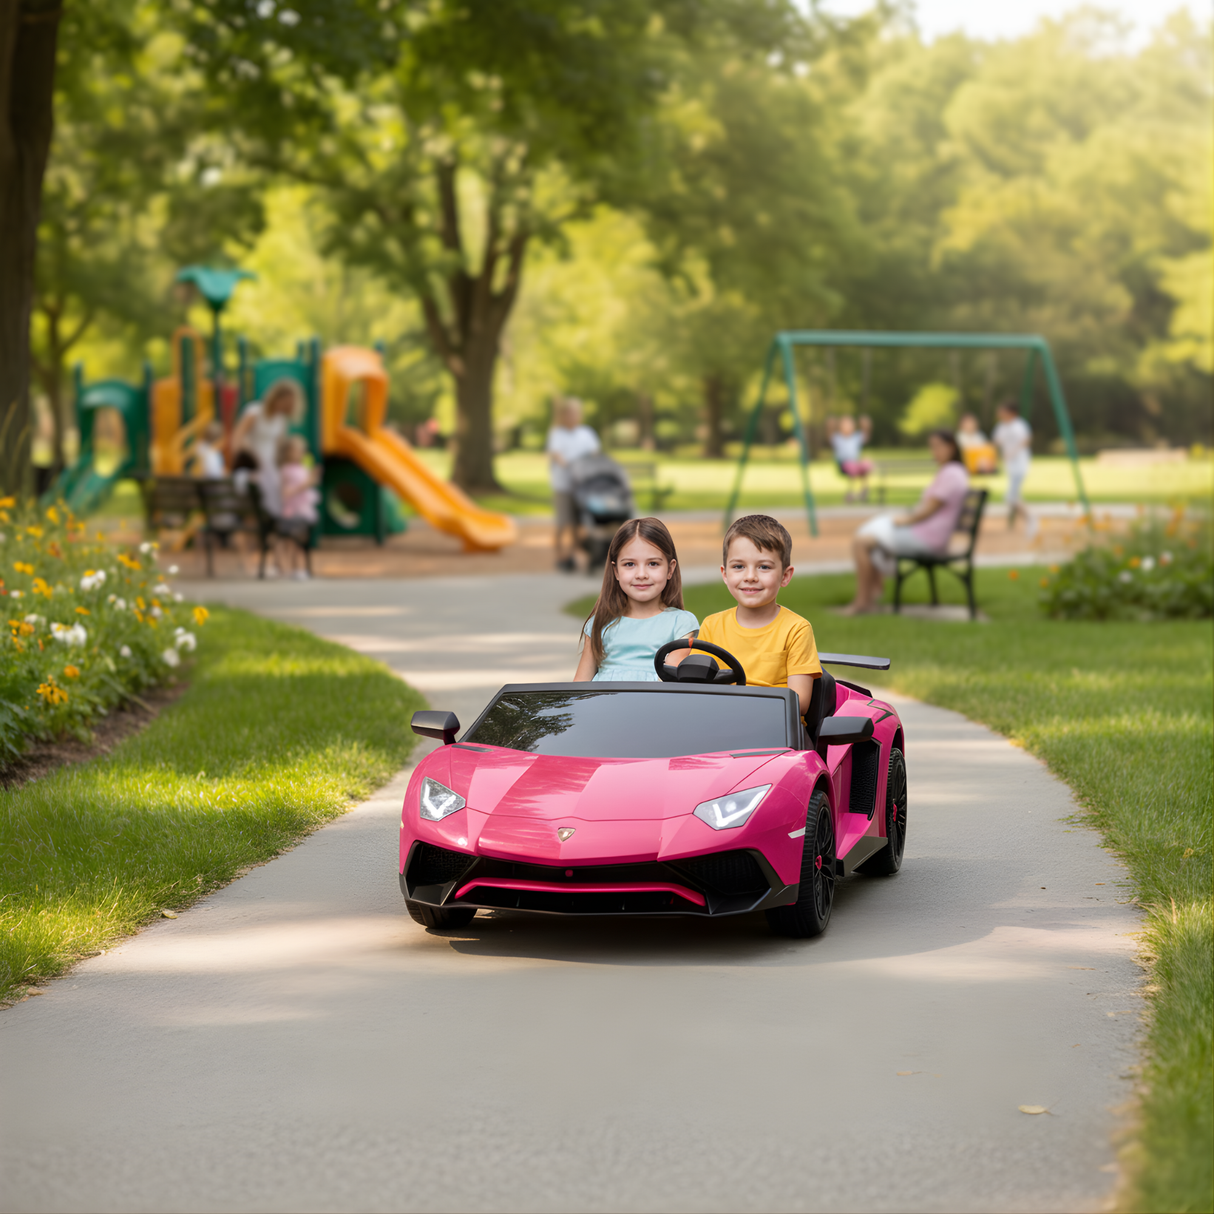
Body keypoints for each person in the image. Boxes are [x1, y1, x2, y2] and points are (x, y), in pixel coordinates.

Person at [697, 514, 821, 719]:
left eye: (764, 567)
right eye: (738, 567)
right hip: (719, 724)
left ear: (785, 576)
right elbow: (696, 687)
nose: (750, 577)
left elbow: (799, 702)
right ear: (725, 574)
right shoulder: (712, 625)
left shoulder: (796, 629)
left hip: (777, 731)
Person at [844, 429, 970, 615]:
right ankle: (870, 595)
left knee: (861, 543)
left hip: (928, 538)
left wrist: (903, 521)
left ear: (951, 446)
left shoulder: (952, 473)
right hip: (926, 533)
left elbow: (927, 511)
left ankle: (863, 602)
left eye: (938, 447)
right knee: (869, 536)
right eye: (931, 447)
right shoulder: (952, 471)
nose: (934, 452)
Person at [574, 517, 698, 682]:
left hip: (653, 706)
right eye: (629, 564)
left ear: (670, 569)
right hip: (603, 706)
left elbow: (670, 683)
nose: (641, 574)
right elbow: (579, 689)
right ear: (616, 571)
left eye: (653, 564)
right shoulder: (599, 624)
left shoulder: (681, 624)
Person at [230, 380, 300, 517]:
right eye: (285, 401)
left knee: (275, 496)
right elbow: (237, 439)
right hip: (250, 465)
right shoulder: (254, 412)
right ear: (276, 397)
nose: (286, 406)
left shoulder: (281, 420)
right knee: (254, 494)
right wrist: (248, 461)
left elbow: (279, 449)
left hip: (269, 468)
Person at [546, 396, 600, 572]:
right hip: (564, 484)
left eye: (575, 413)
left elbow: (594, 452)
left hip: (582, 485)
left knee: (579, 524)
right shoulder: (557, 434)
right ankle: (560, 556)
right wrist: (569, 463)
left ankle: (573, 555)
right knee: (563, 522)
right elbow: (556, 455)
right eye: (569, 413)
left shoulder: (586, 433)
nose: (572, 416)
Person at [275, 435, 319, 580]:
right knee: (294, 539)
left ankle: (298, 567)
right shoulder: (286, 470)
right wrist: (306, 484)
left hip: (303, 511)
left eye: (302, 451)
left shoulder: (302, 468)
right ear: (287, 453)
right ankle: (295, 567)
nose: (300, 454)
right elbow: (286, 493)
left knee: (299, 539)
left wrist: (312, 479)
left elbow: (307, 487)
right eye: (297, 451)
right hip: (292, 511)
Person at [992, 400, 1037, 537]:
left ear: (1011, 412)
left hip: (1020, 465)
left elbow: (1026, 440)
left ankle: (1032, 520)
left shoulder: (1019, 425)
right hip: (1010, 466)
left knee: (1010, 497)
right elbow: (996, 442)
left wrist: (1012, 452)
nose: (999, 413)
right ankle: (1029, 520)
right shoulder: (1001, 426)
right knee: (1014, 496)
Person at [826, 414, 874, 502]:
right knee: (851, 466)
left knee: (866, 462)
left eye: (849, 425)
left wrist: (866, 425)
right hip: (843, 464)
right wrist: (830, 425)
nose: (847, 427)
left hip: (855, 463)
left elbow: (866, 435)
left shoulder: (856, 437)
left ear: (853, 426)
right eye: (845, 425)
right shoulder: (838, 437)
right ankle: (851, 491)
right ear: (840, 427)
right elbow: (830, 435)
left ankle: (864, 489)